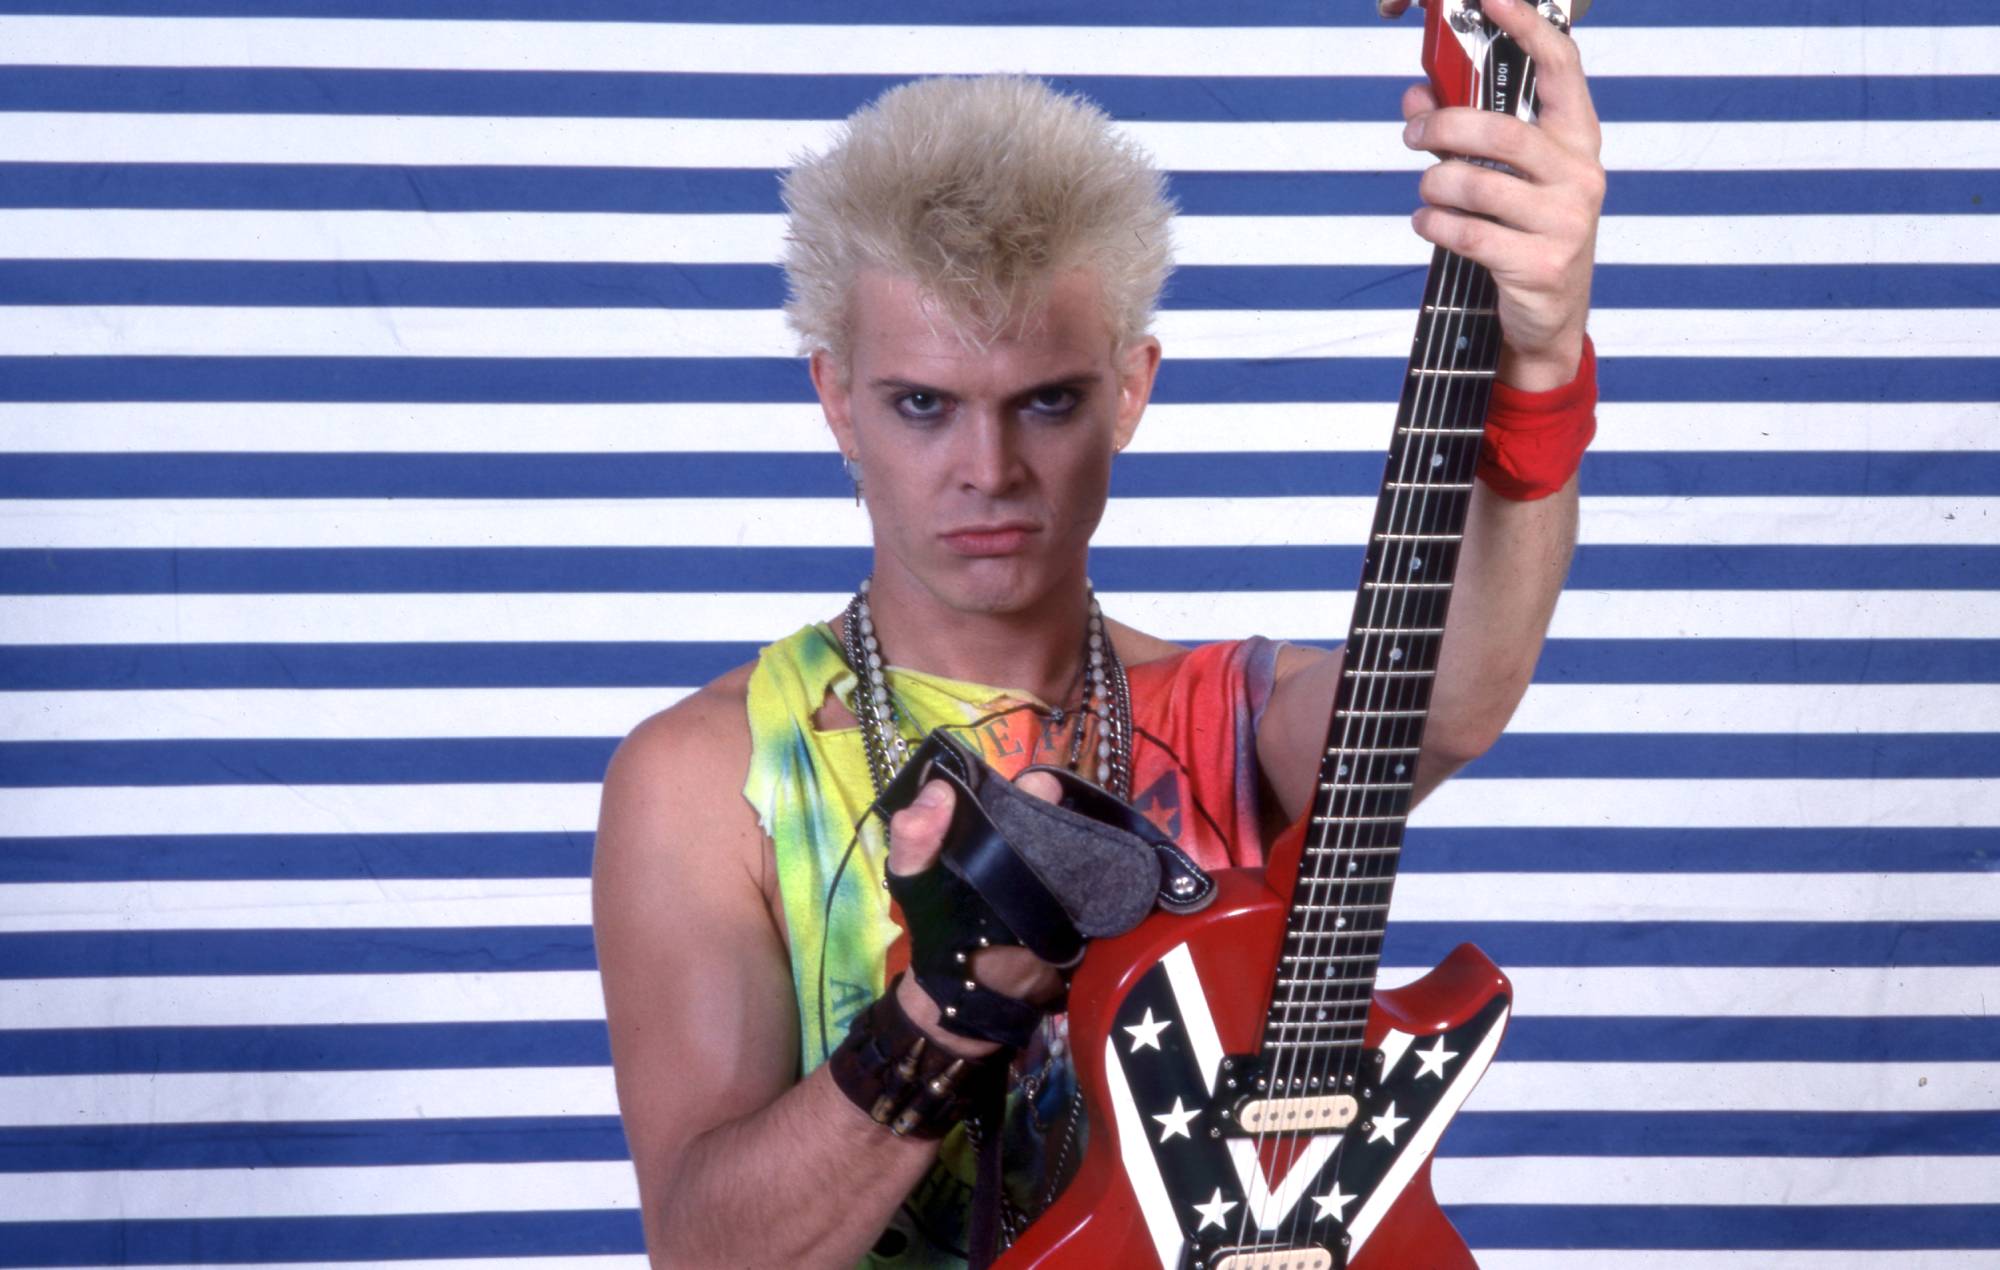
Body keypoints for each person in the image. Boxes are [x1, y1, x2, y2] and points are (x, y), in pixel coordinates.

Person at [594, 2, 1603, 1265]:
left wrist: (1539, 357)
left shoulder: (1228, 718)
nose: (987, 469)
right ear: (835, 400)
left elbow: (1449, 696)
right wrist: (949, 1002)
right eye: (921, 404)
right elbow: (710, 1252)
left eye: (1047, 401)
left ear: (1128, 389)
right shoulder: (709, 778)